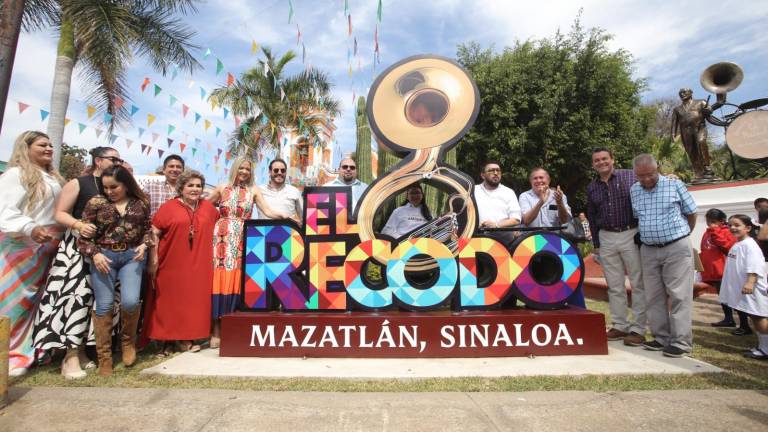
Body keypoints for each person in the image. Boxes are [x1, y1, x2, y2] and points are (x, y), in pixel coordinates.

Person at [32, 146, 122, 379]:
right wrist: (79, 226)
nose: (118, 162)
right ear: (99, 160)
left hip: (110, 251)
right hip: (78, 250)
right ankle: (69, 357)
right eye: (114, 159)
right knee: (75, 299)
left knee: (100, 302)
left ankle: (85, 351)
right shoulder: (78, 183)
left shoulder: (118, 186)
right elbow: (60, 213)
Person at [207, 157, 291, 348]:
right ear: (235, 169)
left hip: (244, 237)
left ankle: (231, 325)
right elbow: (205, 206)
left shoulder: (254, 190)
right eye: (241, 168)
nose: (244, 171)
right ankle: (216, 329)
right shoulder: (222, 188)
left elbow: (267, 211)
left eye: (247, 168)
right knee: (220, 279)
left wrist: (285, 216)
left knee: (238, 280)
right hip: (222, 237)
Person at [0, 131, 64, 377]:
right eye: (42, 145)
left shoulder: (53, 177)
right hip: (21, 246)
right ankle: (10, 356)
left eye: (50, 144)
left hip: (49, 247)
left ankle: (32, 351)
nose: (48, 148)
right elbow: (5, 209)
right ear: (25, 148)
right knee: (15, 303)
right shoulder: (15, 174)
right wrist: (30, 227)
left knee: (39, 301)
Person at [77, 165, 151, 376]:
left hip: (131, 257)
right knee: (105, 305)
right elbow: (83, 237)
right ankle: (105, 358)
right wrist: (95, 254)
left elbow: (148, 229)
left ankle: (128, 342)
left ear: (126, 185)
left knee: (130, 301)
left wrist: (145, 245)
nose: (110, 191)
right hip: (104, 257)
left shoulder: (141, 202)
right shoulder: (95, 203)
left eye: (114, 187)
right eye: (106, 187)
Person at [631, 153, 697, 358]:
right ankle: (661, 337)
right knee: (653, 295)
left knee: (679, 294)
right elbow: (638, 217)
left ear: (656, 168)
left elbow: (691, 213)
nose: (645, 180)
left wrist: (682, 235)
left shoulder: (674, 184)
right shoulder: (634, 190)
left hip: (676, 246)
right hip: (649, 249)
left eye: (649, 175)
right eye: (640, 176)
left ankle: (681, 342)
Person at [146, 170, 218, 354]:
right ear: (181, 188)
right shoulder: (168, 207)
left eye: (198, 186)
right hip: (172, 261)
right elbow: (154, 231)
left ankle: (187, 336)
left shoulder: (208, 208)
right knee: (171, 300)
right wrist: (153, 257)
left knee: (193, 301)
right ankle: (171, 339)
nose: (195, 189)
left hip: (200, 263)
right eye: (190, 185)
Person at [586, 147, 647, 347]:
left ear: (613, 159)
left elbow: (649, 190)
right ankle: (620, 325)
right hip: (606, 236)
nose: (601, 162)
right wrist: (596, 244)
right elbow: (592, 217)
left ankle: (638, 328)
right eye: (597, 160)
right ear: (593, 164)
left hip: (630, 233)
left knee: (638, 283)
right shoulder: (592, 187)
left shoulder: (631, 177)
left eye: (604, 159)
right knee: (614, 285)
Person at [720, 214, 768, 359]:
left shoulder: (750, 245)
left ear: (747, 228)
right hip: (745, 290)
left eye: (737, 225)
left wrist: (750, 282)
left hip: (752, 289)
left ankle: (766, 350)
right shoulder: (738, 244)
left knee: (759, 317)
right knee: (754, 316)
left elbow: (755, 266)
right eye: (730, 225)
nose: (732, 228)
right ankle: (762, 346)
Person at [700, 209, 749, 331]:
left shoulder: (727, 232)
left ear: (722, 221)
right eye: (708, 221)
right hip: (712, 270)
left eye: (713, 221)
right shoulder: (708, 232)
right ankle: (728, 319)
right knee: (723, 297)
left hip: (724, 269)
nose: (710, 224)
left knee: (734, 297)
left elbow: (727, 246)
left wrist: (715, 231)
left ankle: (744, 325)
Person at [472, 161, 521, 248]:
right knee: (471, 261)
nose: (495, 173)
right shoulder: (473, 191)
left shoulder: (508, 192)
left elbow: (516, 219)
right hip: (476, 239)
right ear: (483, 175)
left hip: (504, 241)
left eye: (498, 170)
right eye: (491, 170)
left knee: (505, 262)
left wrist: (496, 225)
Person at [671, 88, 714, 179]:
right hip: (686, 132)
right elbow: (674, 123)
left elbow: (709, 110)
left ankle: (707, 167)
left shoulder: (701, 102)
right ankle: (698, 171)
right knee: (691, 151)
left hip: (699, 128)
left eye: (684, 92)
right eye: (680, 93)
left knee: (701, 142)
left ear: (691, 93)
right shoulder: (677, 109)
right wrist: (672, 135)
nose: (682, 94)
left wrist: (708, 110)